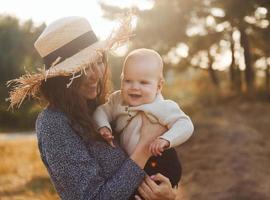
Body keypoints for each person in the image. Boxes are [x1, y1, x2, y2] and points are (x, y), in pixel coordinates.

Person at [7, 16, 176, 200]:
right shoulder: (53, 123)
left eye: (99, 61)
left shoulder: (105, 107)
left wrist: (168, 195)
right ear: (61, 77)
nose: (96, 74)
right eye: (83, 68)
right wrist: (144, 147)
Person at [93, 48, 194, 187]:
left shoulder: (162, 106)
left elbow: (185, 124)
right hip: (132, 163)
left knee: (158, 185)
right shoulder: (118, 100)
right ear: (122, 79)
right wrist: (103, 126)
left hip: (159, 159)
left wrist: (166, 139)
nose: (134, 87)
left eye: (144, 82)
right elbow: (101, 111)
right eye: (128, 81)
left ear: (159, 86)